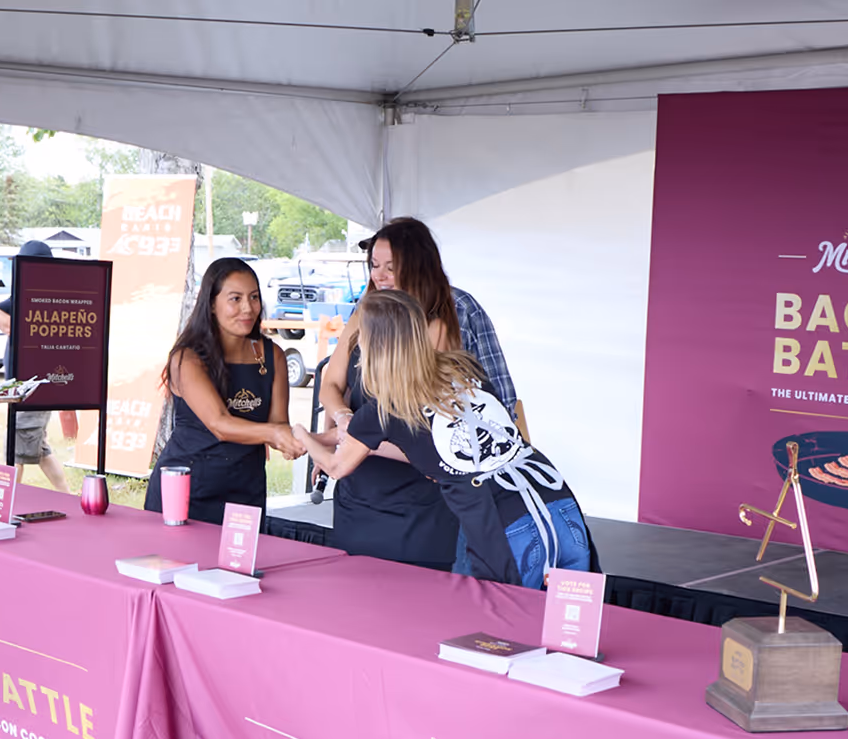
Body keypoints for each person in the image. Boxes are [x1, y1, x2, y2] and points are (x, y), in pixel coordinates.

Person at [296, 290, 590, 589]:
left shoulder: (384, 408)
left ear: (371, 345)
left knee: (498, 627)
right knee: (568, 620)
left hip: (501, 521)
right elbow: (436, 446)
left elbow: (335, 467)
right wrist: (348, 442)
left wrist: (299, 434)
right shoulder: (461, 367)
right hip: (555, 496)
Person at [318, 216, 518, 571]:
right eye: (375, 266)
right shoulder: (366, 311)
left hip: (426, 499)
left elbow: (498, 407)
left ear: (418, 266)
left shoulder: (451, 316)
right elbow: (331, 385)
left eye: (391, 268)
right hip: (361, 493)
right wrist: (343, 416)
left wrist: (347, 437)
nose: (379, 276)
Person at [144, 257, 304, 524]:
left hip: (245, 490)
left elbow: (278, 425)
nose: (248, 308)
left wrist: (297, 441)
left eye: (254, 297)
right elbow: (220, 423)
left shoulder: (271, 354)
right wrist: (275, 433)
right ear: (211, 305)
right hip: (187, 490)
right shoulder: (188, 359)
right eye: (235, 298)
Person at [0, 240, 72, 494]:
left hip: (34, 386)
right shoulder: (24, 291)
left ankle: (4, 503)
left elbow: (13, 328)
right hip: (21, 386)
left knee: (15, 452)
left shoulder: (49, 295)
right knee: (39, 449)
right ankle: (69, 497)